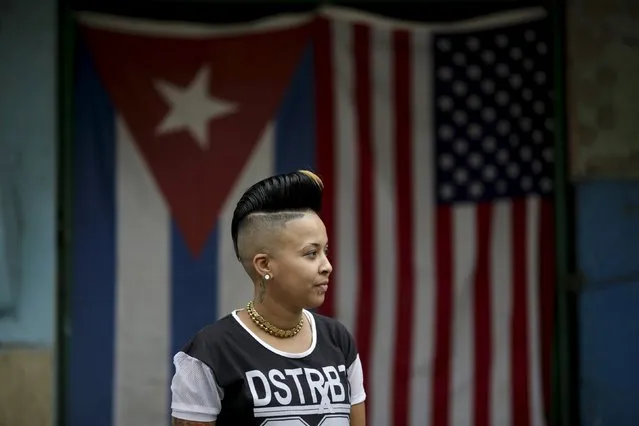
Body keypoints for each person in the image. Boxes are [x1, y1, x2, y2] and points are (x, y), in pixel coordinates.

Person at [170, 170, 367, 426]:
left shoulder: (338, 341)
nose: (327, 265)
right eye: (311, 253)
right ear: (264, 265)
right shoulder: (209, 353)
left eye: (325, 251)